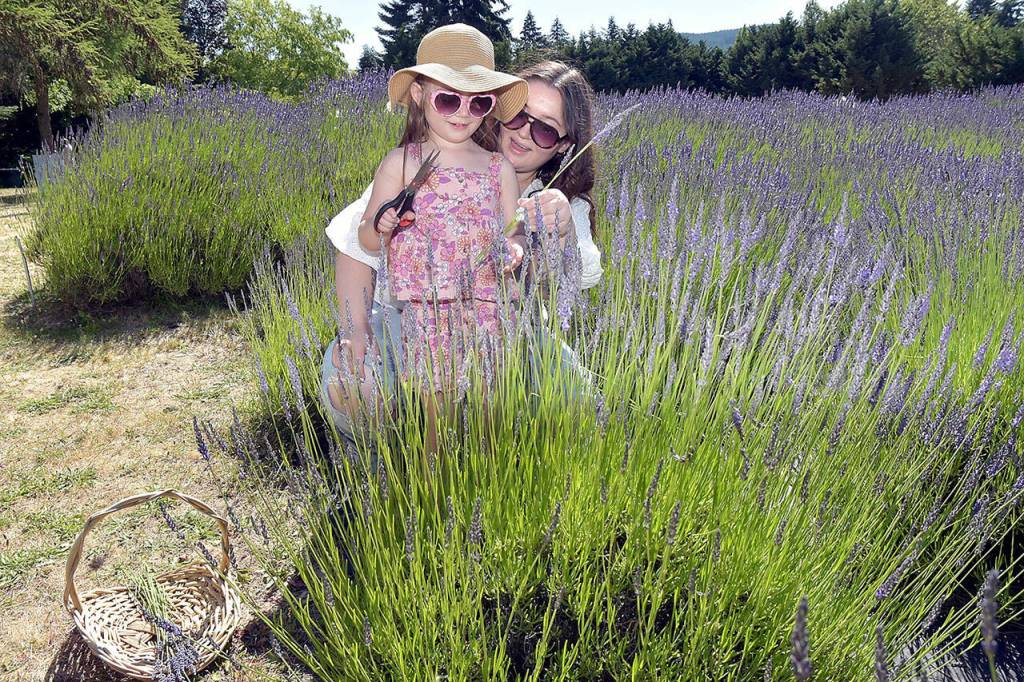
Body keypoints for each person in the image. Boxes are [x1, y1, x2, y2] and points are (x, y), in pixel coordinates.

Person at [320, 55, 604, 441]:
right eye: (519, 116)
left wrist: (563, 233)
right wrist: (355, 331)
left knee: (579, 408)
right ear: (498, 110)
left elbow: (579, 279)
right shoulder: (427, 160)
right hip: (410, 317)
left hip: (507, 335)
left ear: (563, 146)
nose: (524, 133)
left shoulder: (564, 203)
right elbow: (357, 245)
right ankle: (377, 465)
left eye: (545, 131)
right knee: (354, 384)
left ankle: (500, 473)